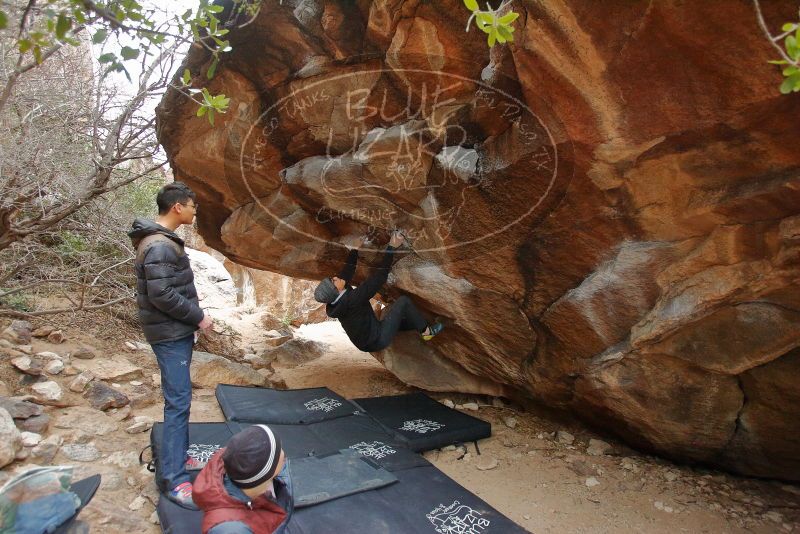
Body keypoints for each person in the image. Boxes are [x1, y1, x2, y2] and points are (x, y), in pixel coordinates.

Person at [128, 182, 212, 510]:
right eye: (192, 206)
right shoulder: (159, 245)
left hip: (173, 331)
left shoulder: (160, 241)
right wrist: (199, 317)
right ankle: (175, 480)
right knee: (178, 403)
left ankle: (178, 456)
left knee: (179, 399)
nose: (194, 211)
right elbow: (161, 294)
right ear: (177, 207)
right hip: (169, 334)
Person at [314, 231, 443, 351]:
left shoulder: (336, 300)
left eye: (332, 278)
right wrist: (392, 246)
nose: (336, 277)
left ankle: (416, 323)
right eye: (333, 281)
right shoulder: (352, 299)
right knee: (403, 302)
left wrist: (354, 250)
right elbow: (380, 277)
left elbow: (347, 272)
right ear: (336, 291)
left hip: (367, 337)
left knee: (398, 319)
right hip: (376, 340)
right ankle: (427, 333)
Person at [193, 425, 291, 534]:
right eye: (279, 451)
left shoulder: (236, 460)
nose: (283, 453)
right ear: (268, 474)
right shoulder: (231, 530)